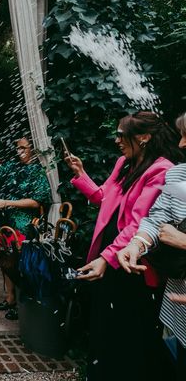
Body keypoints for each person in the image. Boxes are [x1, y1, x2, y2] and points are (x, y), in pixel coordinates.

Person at [65, 111, 182, 381]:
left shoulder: (161, 169)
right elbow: (103, 197)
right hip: (109, 255)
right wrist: (81, 174)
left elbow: (139, 222)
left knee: (130, 331)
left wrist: (107, 258)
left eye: (121, 134)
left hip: (134, 263)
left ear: (143, 137)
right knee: (105, 326)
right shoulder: (123, 163)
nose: (117, 140)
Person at [117, 111, 186, 375]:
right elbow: (158, 217)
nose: (181, 145)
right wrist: (137, 244)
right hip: (180, 314)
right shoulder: (180, 176)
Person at [0, 137, 51, 320]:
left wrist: (7, 202)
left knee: (17, 261)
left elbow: (37, 201)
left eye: (23, 148)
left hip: (23, 223)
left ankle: (22, 301)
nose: (19, 151)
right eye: (17, 148)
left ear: (33, 150)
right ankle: (9, 298)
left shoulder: (38, 171)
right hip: (4, 220)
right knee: (3, 256)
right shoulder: (12, 166)